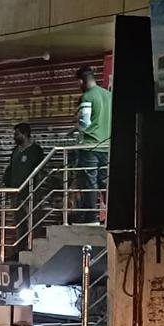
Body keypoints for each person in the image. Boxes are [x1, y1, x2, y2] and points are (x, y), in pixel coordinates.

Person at [73, 65, 111, 223]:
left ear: (81, 81)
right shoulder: (108, 95)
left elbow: (85, 122)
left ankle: (91, 217)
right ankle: (111, 215)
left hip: (90, 146)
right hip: (106, 145)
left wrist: (76, 124)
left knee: (90, 182)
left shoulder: (88, 96)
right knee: (105, 182)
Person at [3, 122, 46, 251]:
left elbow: (41, 171)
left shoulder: (36, 151)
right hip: (16, 192)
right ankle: (19, 250)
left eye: (17, 134)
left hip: (31, 192)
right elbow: (10, 169)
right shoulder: (15, 151)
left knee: (33, 222)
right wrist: (6, 183)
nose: (14, 137)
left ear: (25, 134)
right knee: (18, 223)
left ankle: (34, 248)